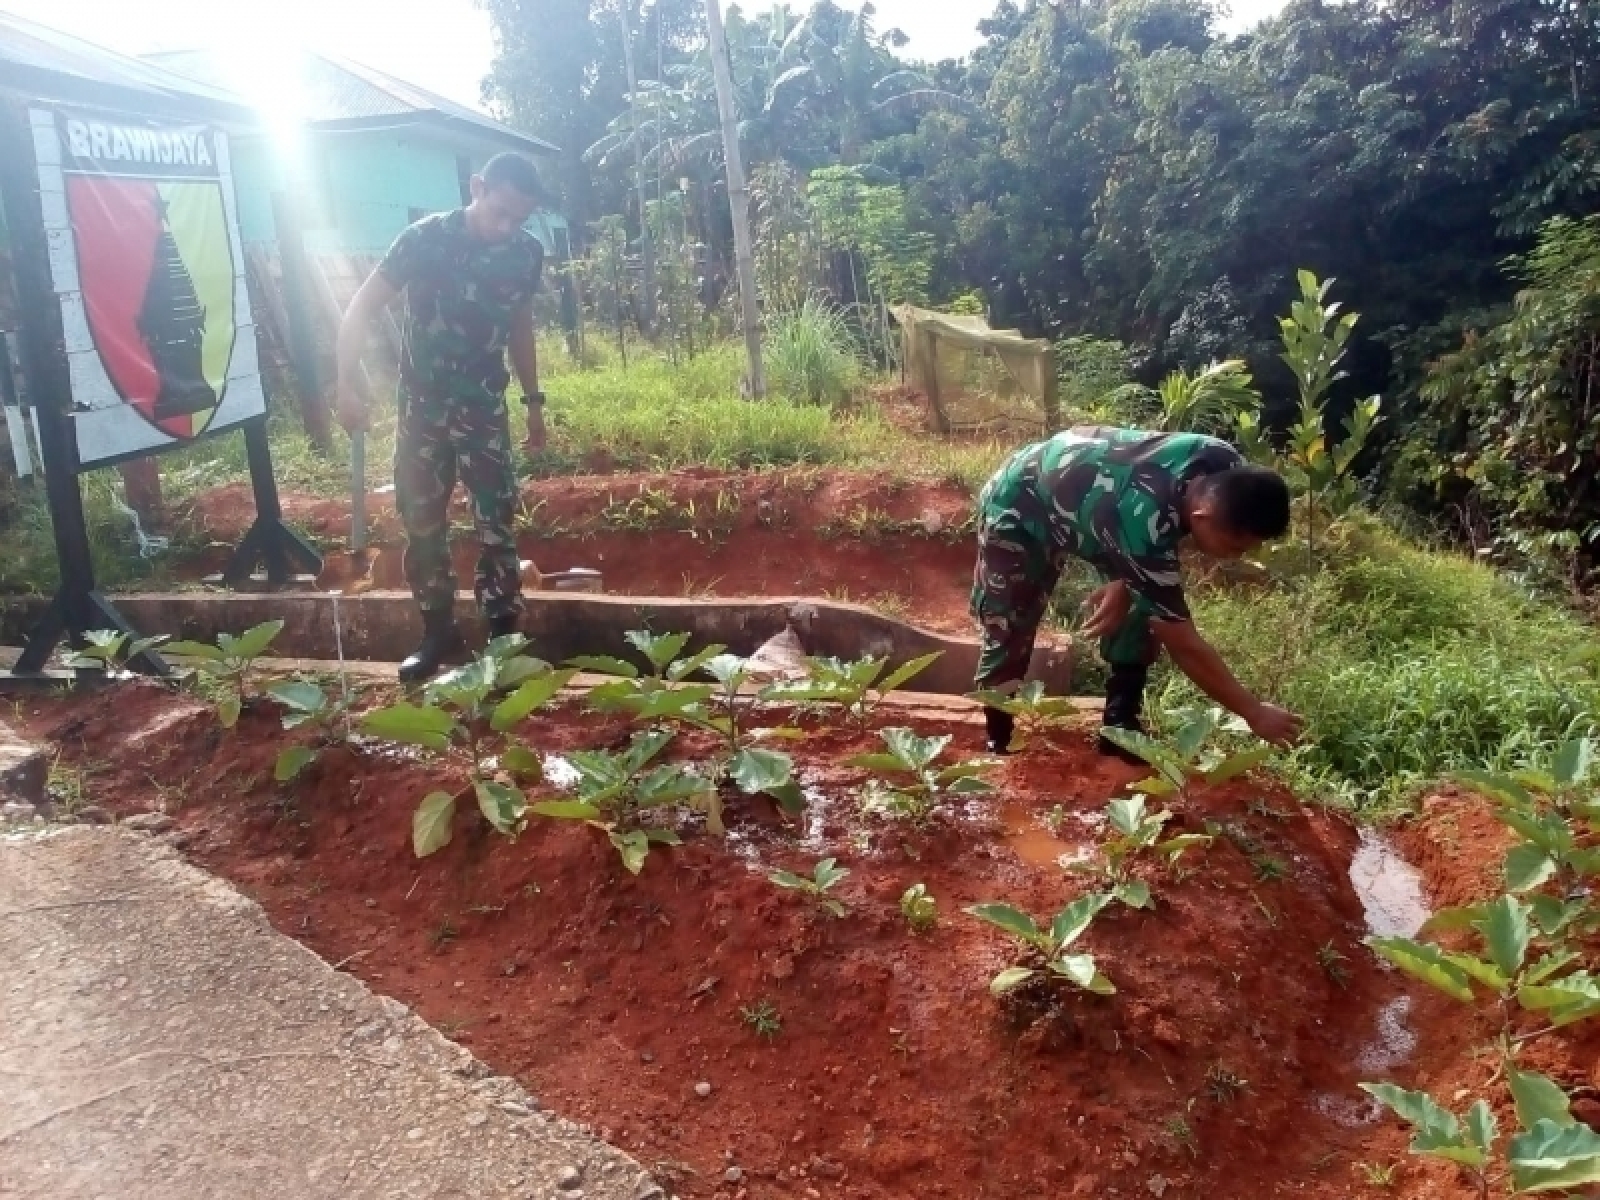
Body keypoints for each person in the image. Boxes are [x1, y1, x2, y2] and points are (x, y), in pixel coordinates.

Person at [336, 152, 548, 683]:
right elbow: (360, 307)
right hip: (422, 412)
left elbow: (521, 326)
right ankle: (437, 632)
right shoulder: (423, 240)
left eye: (518, 219)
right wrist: (346, 382)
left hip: (483, 409)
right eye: (499, 212)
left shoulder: (525, 254)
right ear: (476, 187)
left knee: (495, 521)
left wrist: (534, 402)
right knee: (422, 522)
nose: (506, 228)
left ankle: (502, 635)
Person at [971, 425, 1304, 758]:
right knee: (1009, 620)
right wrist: (1254, 712)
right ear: (1202, 517)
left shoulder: (1226, 466)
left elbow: (1148, 536)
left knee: (1144, 603)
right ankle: (998, 737)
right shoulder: (1146, 521)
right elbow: (1184, 645)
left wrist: (1126, 581)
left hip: (1102, 501)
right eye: (1235, 546)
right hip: (1022, 501)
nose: (1238, 557)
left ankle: (1119, 726)